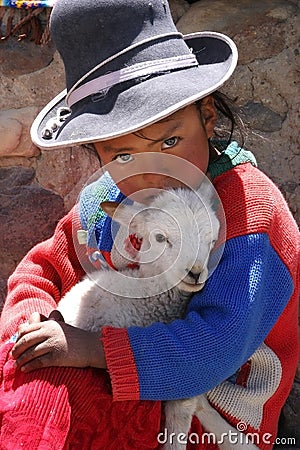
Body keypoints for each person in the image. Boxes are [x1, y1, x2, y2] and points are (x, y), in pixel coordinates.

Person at [0, 0, 299, 448]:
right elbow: (42, 269)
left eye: (170, 140)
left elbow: (215, 348)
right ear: (96, 154)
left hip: (207, 424)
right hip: (113, 377)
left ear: (208, 117)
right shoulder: (109, 201)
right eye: (121, 155)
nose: (153, 168)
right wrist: (30, 328)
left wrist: (90, 349)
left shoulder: (251, 218)